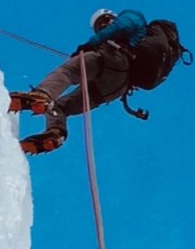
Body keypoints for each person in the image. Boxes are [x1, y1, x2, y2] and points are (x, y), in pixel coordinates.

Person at [10, 9, 148, 154]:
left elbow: (120, 27)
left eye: (104, 21)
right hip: (114, 88)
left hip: (114, 58)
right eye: (99, 26)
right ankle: (55, 134)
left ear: (112, 17)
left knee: (69, 71)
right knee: (59, 107)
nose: (103, 26)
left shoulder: (132, 16)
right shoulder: (138, 37)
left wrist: (90, 44)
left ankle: (41, 95)